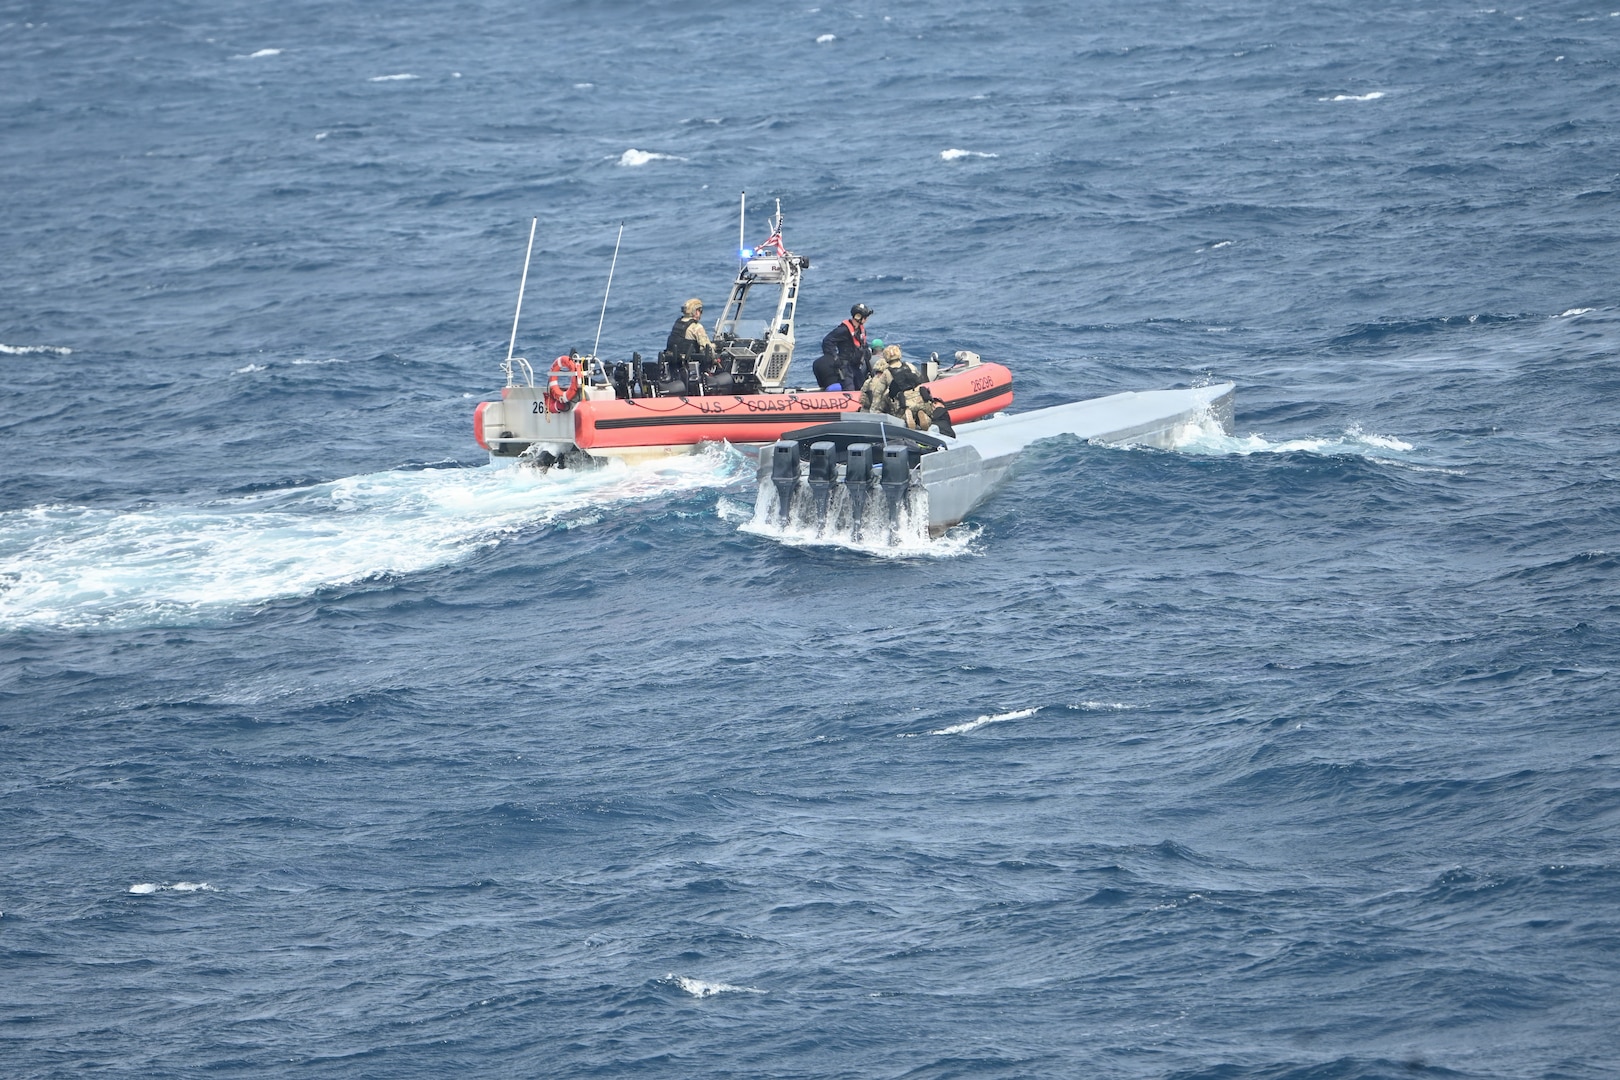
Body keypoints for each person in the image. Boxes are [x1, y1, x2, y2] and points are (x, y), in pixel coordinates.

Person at [887, 359, 956, 436]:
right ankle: (924, 416)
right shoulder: (910, 368)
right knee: (928, 416)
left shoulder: (888, 373)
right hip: (921, 401)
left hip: (905, 404)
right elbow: (920, 379)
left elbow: (889, 396)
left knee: (900, 418)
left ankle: (908, 419)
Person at [814, 302, 874, 390]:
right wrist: (834, 357)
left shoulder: (861, 331)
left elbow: (862, 344)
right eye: (865, 317)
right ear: (858, 317)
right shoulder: (843, 330)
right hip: (845, 367)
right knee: (849, 388)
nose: (867, 319)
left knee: (862, 388)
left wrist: (867, 351)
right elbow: (828, 341)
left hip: (856, 367)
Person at [860, 344, 909, 415]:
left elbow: (862, 398)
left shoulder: (868, 381)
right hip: (884, 411)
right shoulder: (888, 380)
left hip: (867, 410)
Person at [665, 298, 715, 365]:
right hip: (688, 362)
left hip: (672, 361)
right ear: (696, 312)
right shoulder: (696, 327)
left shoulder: (677, 323)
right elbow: (707, 348)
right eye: (700, 311)